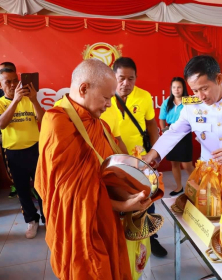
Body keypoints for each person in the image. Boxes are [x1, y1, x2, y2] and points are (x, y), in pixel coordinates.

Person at [35, 59, 151, 280]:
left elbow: (108, 173)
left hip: (107, 220)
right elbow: (70, 198)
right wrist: (123, 205)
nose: (109, 105)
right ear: (83, 88)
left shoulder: (99, 125)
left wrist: (138, 184)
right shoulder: (58, 124)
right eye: (107, 98)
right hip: (80, 228)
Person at [143, 55, 222, 189]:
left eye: (204, 89)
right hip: (211, 176)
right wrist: (152, 154)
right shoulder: (191, 106)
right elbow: (174, 132)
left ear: (219, 79)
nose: (200, 97)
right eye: (195, 91)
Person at [112, 57, 167, 258]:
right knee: (119, 199)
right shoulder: (105, 96)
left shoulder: (143, 97)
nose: (126, 83)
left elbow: (151, 125)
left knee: (147, 197)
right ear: (113, 77)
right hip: (113, 161)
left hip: (140, 158)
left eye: (131, 78)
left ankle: (151, 239)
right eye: (121, 78)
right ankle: (123, 240)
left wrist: (155, 152)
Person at [0, 67, 45, 238]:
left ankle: (48, 218)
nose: (13, 84)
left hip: (35, 150)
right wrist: (15, 101)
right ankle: (31, 221)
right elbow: (1, 123)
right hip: (13, 153)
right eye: (8, 81)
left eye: (15, 80)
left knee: (43, 188)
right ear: (0, 84)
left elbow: (44, 120)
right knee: (22, 190)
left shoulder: (29, 99)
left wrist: (34, 100)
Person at [54, 93, 128, 154]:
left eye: (110, 98)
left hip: (105, 168)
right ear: (84, 89)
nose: (109, 104)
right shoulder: (62, 108)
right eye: (105, 97)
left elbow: (117, 139)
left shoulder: (111, 108)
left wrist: (128, 163)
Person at [159, 77, 194, 196]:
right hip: (170, 133)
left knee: (186, 164)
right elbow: (162, 118)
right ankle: (179, 187)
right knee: (174, 163)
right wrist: (164, 132)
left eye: (179, 87)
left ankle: (198, 186)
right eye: (174, 87)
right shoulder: (167, 101)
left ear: (183, 88)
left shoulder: (189, 101)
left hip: (184, 133)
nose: (176, 90)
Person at [0, 62, 17, 198]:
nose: (11, 84)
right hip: (7, 138)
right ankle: (17, 186)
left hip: (26, 140)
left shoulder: (26, 91)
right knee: (12, 169)